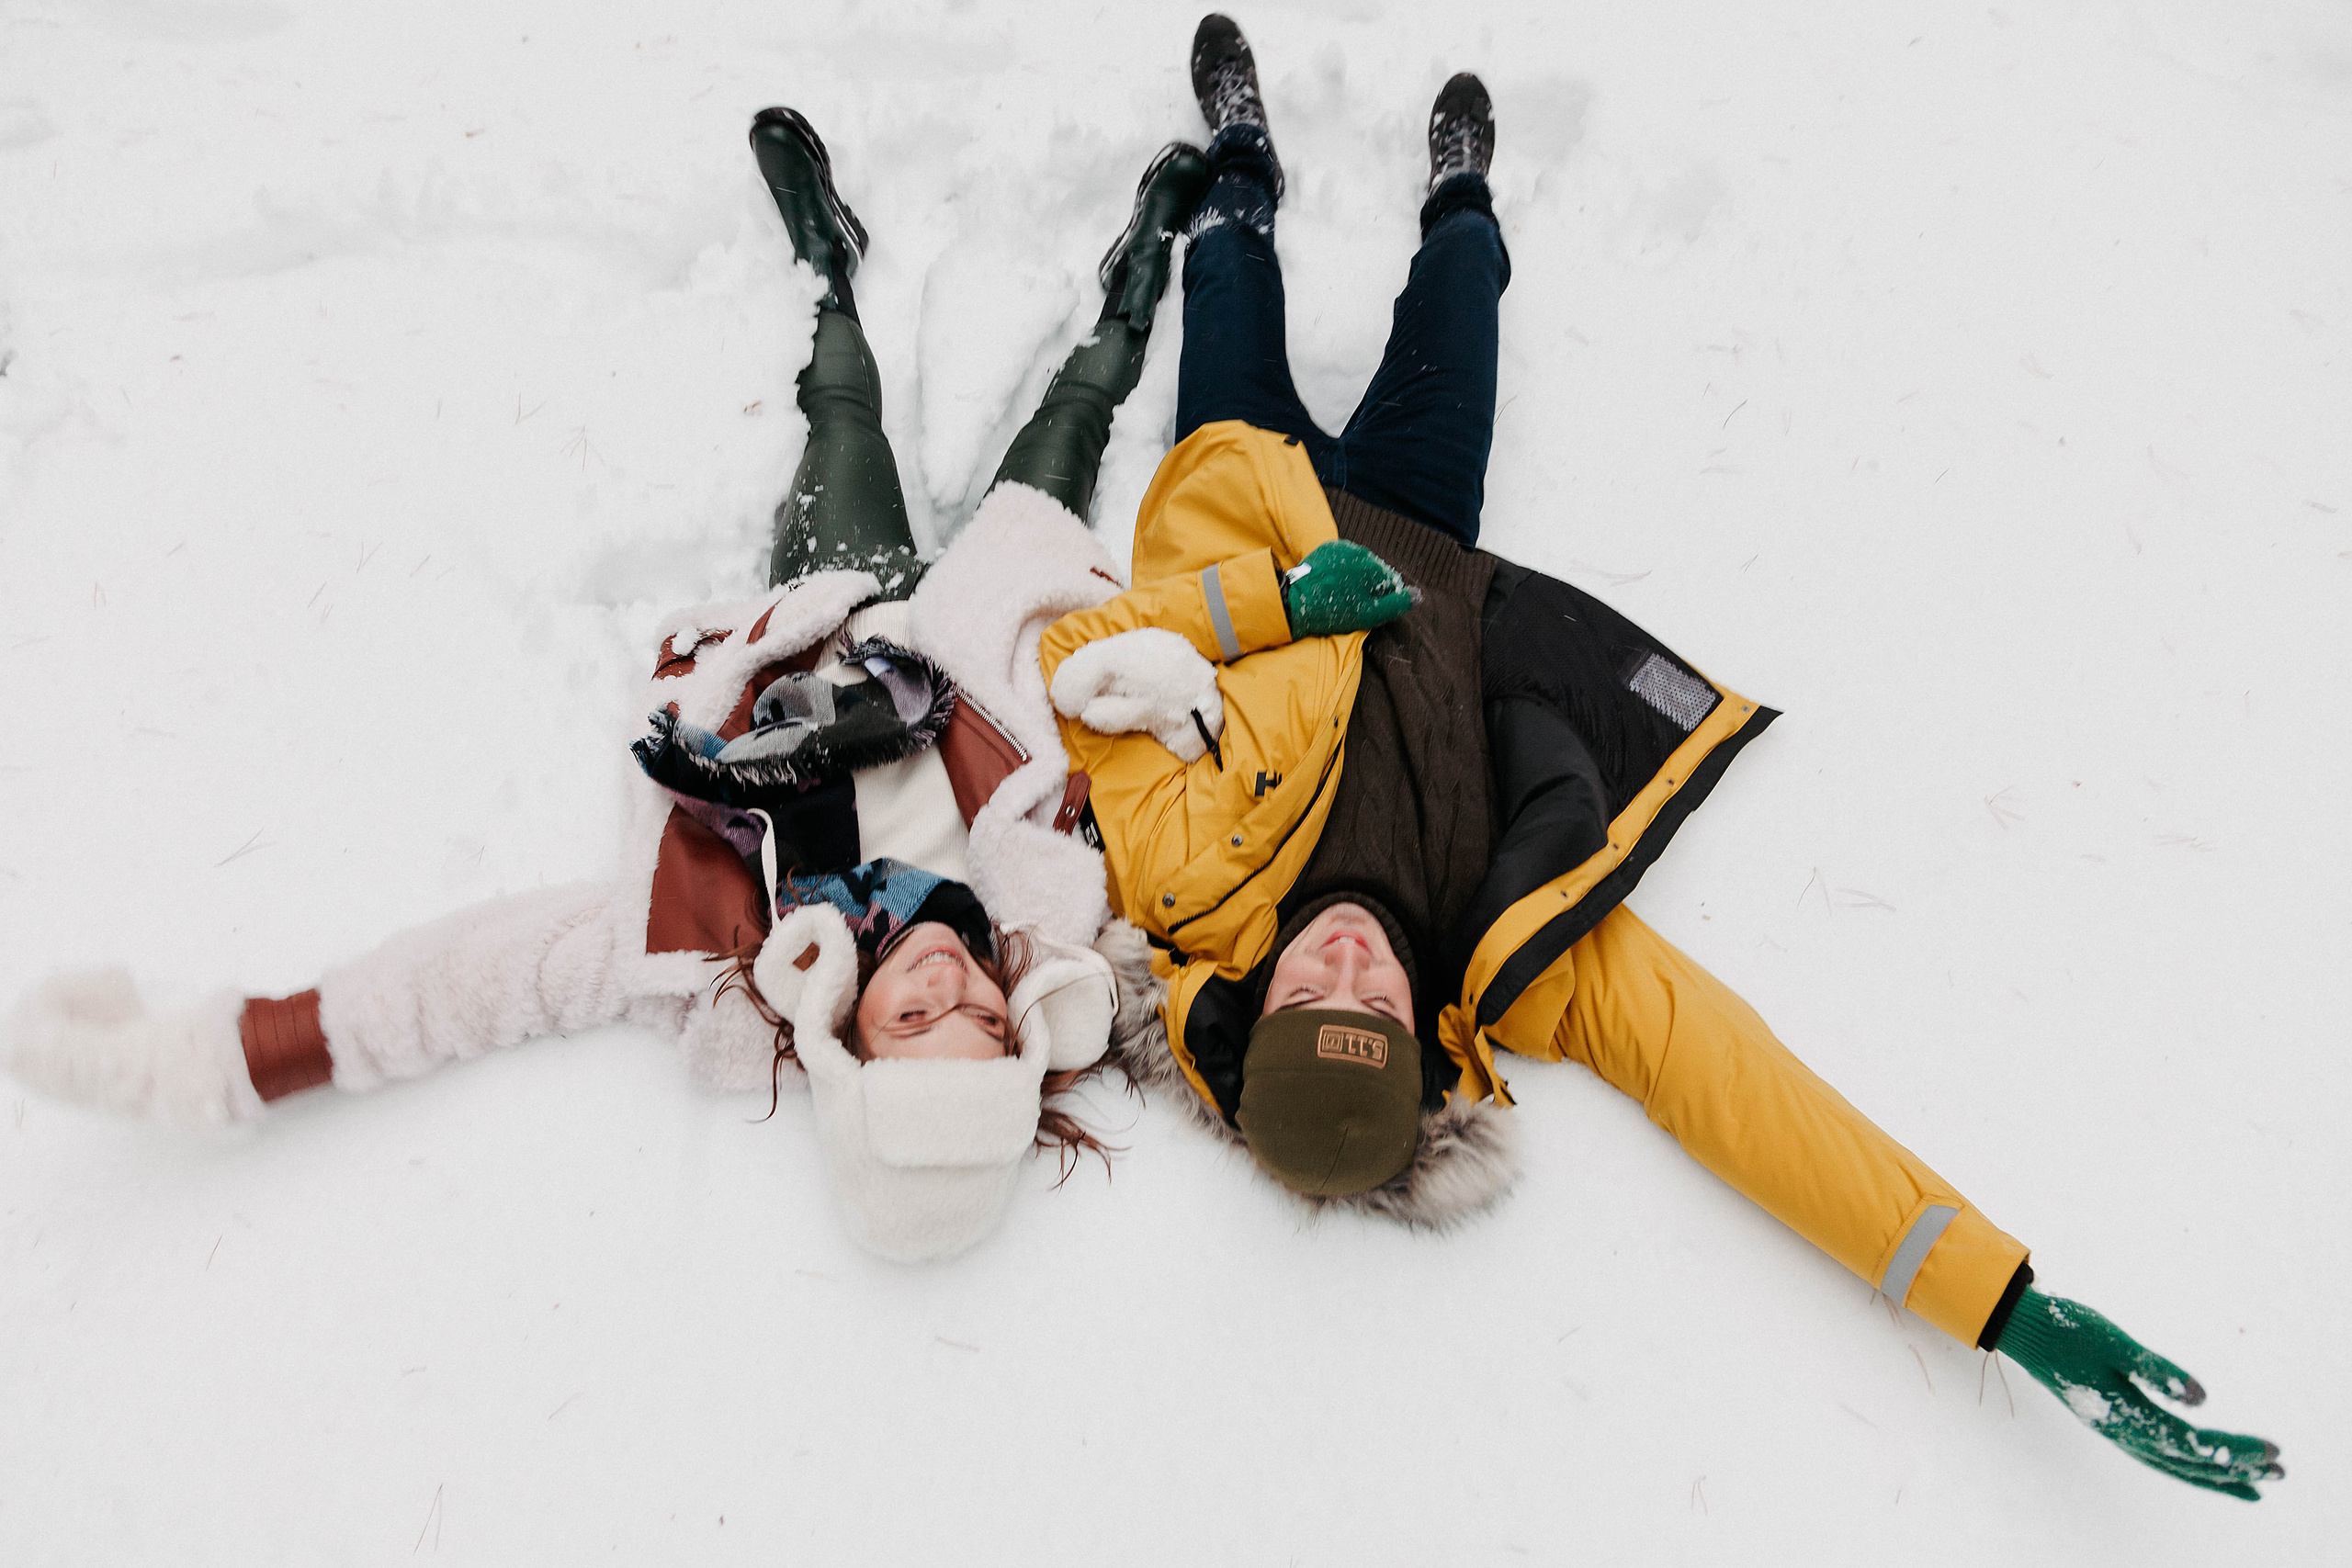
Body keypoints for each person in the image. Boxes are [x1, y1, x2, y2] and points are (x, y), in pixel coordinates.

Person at [1040, 15, 2284, 1498]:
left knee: (1226, 278)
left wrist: (1271, 601)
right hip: (1433, 533)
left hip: (1243, 494)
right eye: (1377, 1002)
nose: (1352, 964)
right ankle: (1459, 193)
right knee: (1462, 292)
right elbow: (1735, 1087)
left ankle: (1242, 163)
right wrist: (1996, 1298)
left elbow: (1077, 665)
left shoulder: (1180, 888)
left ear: (1262, 1010)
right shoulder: (1514, 955)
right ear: (1422, 1037)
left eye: (1316, 994)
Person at [0, 111, 1212, 1265]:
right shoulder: (1063, 939)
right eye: (987, 1027)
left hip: (829, 625)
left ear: (846, 1040)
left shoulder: (716, 962)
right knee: (1073, 423)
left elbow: (479, 983)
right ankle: (1137, 278)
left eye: (914, 1022)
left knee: (841, 409)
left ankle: (827, 272)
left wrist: (229, 1058)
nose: (953, 987)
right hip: (983, 630)